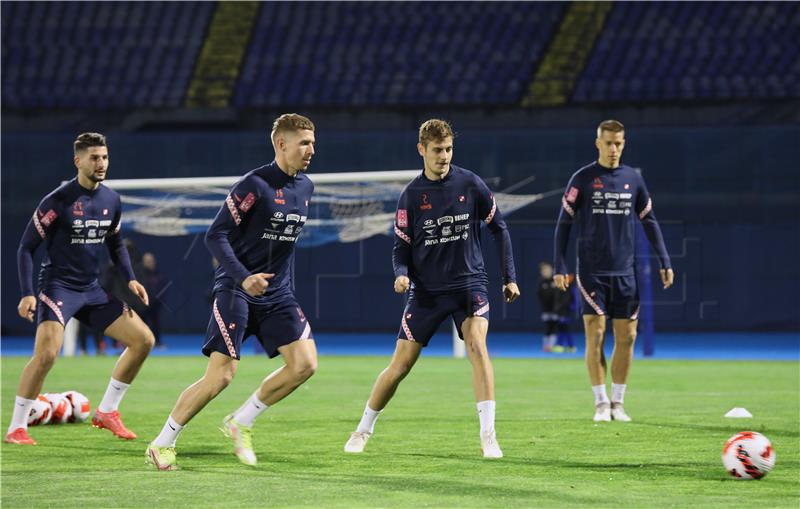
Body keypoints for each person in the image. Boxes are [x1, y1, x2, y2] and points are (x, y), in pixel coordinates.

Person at [146, 114, 317, 470]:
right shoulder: (253, 184)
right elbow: (215, 235)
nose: (311, 150)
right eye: (304, 143)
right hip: (236, 290)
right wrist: (243, 278)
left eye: (313, 142)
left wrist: (285, 291)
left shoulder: (306, 188)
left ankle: (240, 422)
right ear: (281, 144)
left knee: (304, 365)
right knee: (221, 375)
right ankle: (162, 443)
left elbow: (286, 249)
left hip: (277, 294)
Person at [344, 119, 521, 459]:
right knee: (400, 366)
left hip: (470, 285)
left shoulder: (470, 183)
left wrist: (509, 277)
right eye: (438, 150)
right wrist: (400, 274)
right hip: (426, 292)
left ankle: (489, 436)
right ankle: (363, 429)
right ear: (421, 149)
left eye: (449, 149)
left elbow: (499, 228)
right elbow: (401, 246)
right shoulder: (411, 195)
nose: (444, 156)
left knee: (478, 347)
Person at [6, 132, 155, 445]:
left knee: (143, 340)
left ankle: (107, 411)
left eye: (104, 157)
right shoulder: (57, 201)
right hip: (58, 287)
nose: (101, 163)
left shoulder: (111, 200)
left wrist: (130, 278)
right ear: (78, 161)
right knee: (47, 354)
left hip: (92, 291)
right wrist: (26, 292)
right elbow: (25, 248)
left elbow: (115, 242)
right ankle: (17, 426)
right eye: (94, 158)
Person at [553, 119, 673, 422]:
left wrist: (665, 260)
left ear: (624, 143)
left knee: (627, 337)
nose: (614, 148)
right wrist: (560, 265)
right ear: (598, 144)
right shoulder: (582, 179)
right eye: (608, 143)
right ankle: (600, 401)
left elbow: (650, 220)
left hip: (625, 272)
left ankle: (618, 402)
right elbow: (563, 224)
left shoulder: (633, 179)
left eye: (619, 143)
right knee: (595, 332)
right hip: (592, 271)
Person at [140, 252, 165, 348]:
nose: (149, 263)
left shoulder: (159, 275)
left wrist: (158, 299)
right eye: (147, 261)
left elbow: (162, 288)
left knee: (156, 324)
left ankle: (157, 342)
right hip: (143, 305)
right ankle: (143, 344)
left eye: (150, 261)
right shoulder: (139, 275)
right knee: (142, 325)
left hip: (155, 305)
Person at [536, 261, 561, 352]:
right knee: (548, 327)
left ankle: (551, 346)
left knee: (554, 327)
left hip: (556, 309)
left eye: (547, 270)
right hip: (546, 309)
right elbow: (539, 295)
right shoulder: (541, 282)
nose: (545, 272)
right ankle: (545, 346)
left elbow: (560, 295)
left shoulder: (556, 281)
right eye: (544, 270)